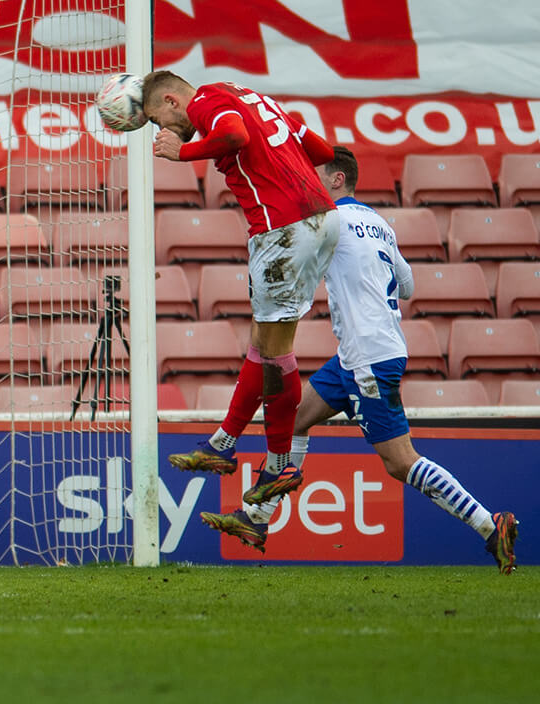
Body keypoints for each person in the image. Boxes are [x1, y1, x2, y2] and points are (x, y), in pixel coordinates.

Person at [200, 147, 519, 574]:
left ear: (336, 181)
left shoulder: (330, 223)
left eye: (317, 176)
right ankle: (257, 521)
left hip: (369, 356)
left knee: (400, 462)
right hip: (358, 354)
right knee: (293, 418)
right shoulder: (380, 223)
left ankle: (488, 525)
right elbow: (406, 285)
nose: (310, 183)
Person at [144, 71, 343, 505]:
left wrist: (185, 152)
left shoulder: (206, 102)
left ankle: (277, 465)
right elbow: (324, 151)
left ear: (173, 101)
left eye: (158, 118)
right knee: (263, 344)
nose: (162, 130)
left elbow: (232, 135)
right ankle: (222, 444)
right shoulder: (252, 95)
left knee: (275, 355)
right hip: (323, 219)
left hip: (283, 227)